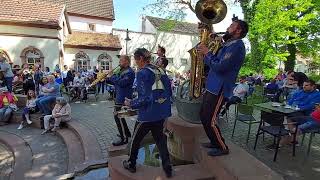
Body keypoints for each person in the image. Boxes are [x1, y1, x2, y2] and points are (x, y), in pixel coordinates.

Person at [197, 19, 249, 156]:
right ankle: (214, 141)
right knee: (203, 116)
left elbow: (220, 66)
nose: (228, 27)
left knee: (210, 119)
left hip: (220, 88)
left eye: (232, 26)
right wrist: (208, 51)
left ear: (238, 31)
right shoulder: (228, 44)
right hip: (211, 86)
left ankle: (222, 147)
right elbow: (212, 63)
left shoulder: (237, 46)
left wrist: (207, 52)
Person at [122, 48, 172, 177]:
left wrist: (131, 103)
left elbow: (145, 98)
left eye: (135, 59)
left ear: (140, 59)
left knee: (135, 140)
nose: (135, 62)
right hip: (160, 113)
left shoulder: (142, 73)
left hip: (147, 115)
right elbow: (168, 92)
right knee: (160, 140)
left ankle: (131, 164)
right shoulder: (160, 70)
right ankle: (168, 168)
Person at [105, 55, 135, 146]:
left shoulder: (129, 72)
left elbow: (122, 83)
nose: (119, 62)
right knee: (120, 116)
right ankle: (126, 133)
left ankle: (124, 138)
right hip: (119, 96)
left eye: (121, 61)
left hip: (123, 98)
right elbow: (115, 82)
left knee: (118, 116)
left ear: (126, 61)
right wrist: (106, 78)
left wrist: (112, 76)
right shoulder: (121, 70)